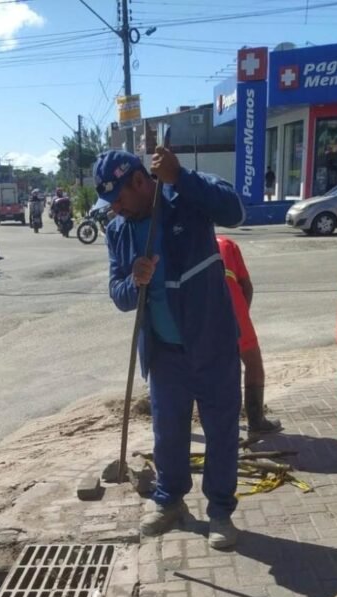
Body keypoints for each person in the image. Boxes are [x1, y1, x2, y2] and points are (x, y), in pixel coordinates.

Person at [94, 146, 245, 548]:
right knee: (168, 433)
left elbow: (234, 210)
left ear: (140, 182)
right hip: (164, 353)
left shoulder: (185, 201)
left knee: (221, 430)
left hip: (212, 342)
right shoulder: (118, 232)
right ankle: (171, 500)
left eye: (119, 198)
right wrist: (134, 281)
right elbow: (119, 295)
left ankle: (220, 512)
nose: (116, 209)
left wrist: (182, 176)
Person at [216, 236, 281, 437]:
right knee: (252, 363)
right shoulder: (226, 244)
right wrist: (242, 314)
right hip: (234, 310)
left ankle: (218, 423)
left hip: (199, 313)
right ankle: (256, 420)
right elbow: (247, 285)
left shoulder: (184, 242)